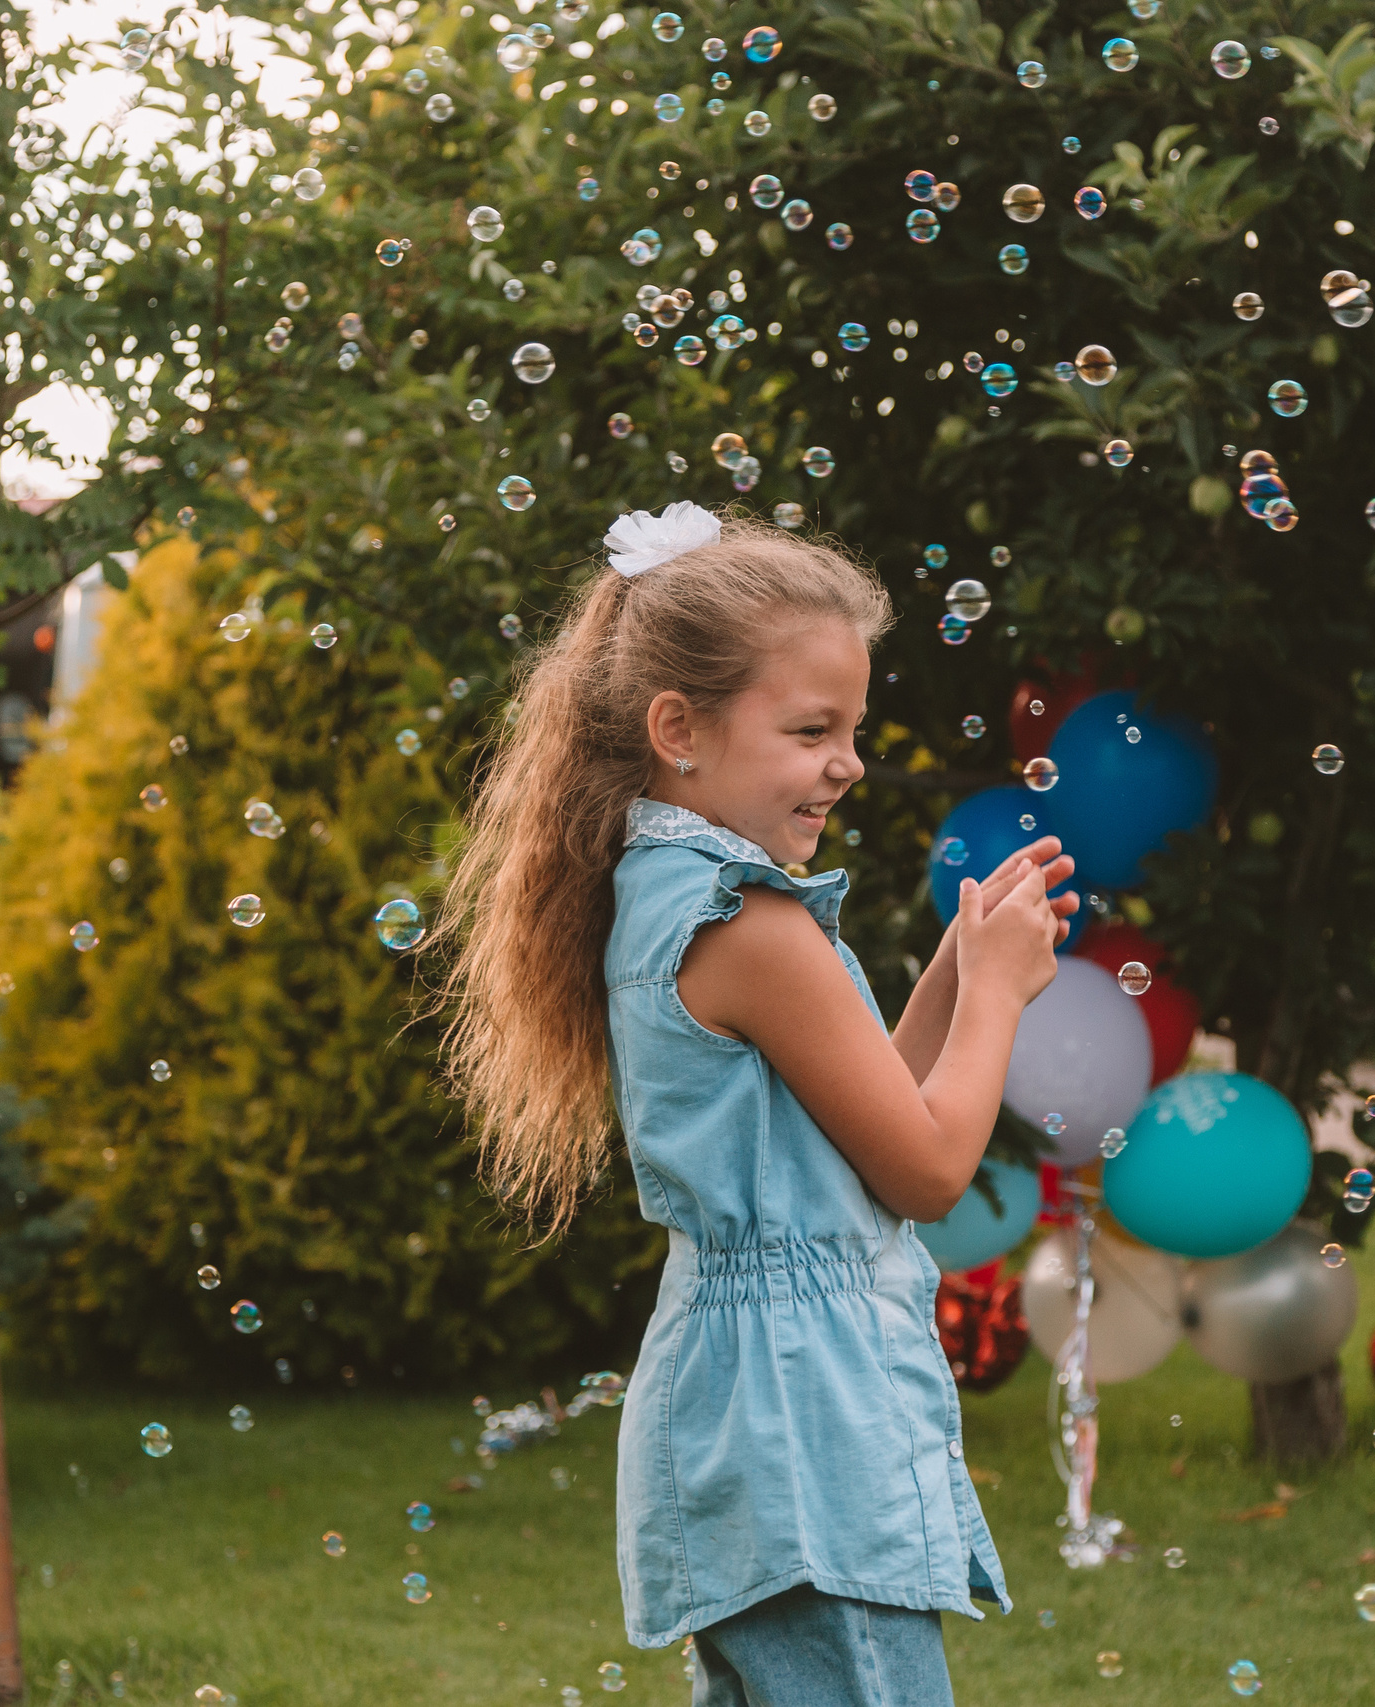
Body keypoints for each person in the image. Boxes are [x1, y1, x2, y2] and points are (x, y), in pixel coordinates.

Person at [437, 502, 1075, 1706]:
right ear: (677, 729)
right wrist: (996, 1000)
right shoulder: (751, 923)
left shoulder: (675, 895)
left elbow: (860, 1125)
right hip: (807, 1430)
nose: (849, 761)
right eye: (810, 728)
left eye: (855, 729)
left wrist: (954, 967)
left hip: (753, 1406)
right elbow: (929, 1171)